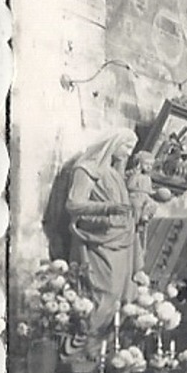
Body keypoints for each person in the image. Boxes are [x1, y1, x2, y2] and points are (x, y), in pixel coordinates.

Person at [63, 130, 140, 336]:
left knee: (118, 297)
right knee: (102, 293)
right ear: (113, 143)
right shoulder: (86, 169)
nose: (129, 152)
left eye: (132, 148)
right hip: (96, 242)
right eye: (127, 146)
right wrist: (108, 208)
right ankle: (85, 345)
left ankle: (104, 350)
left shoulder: (115, 174)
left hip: (119, 240)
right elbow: (73, 204)